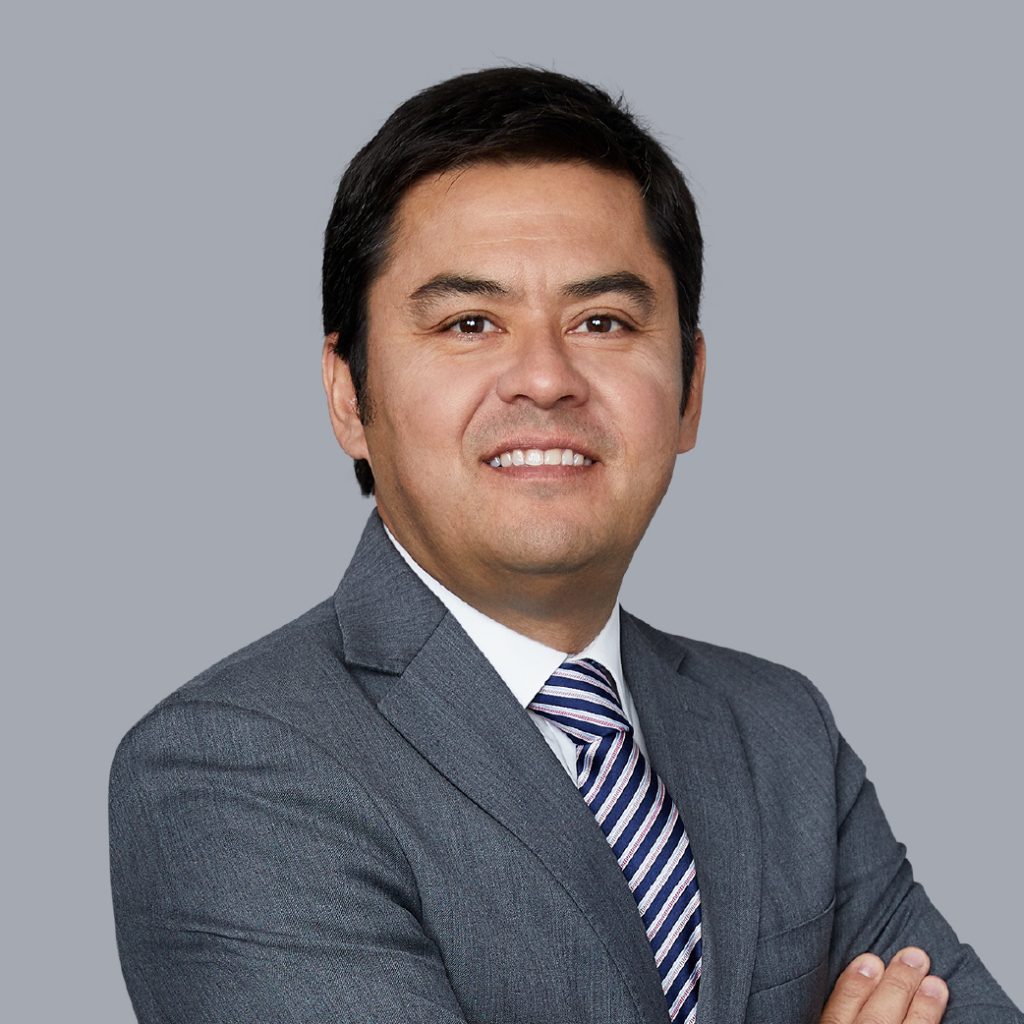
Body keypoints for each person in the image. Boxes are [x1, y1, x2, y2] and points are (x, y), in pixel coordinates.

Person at [108, 67, 1020, 1024]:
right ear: (348, 395)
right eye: (470, 323)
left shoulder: (779, 734)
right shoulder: (230, 766)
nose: (545, 379)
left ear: (690, 387)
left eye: (602, 322)